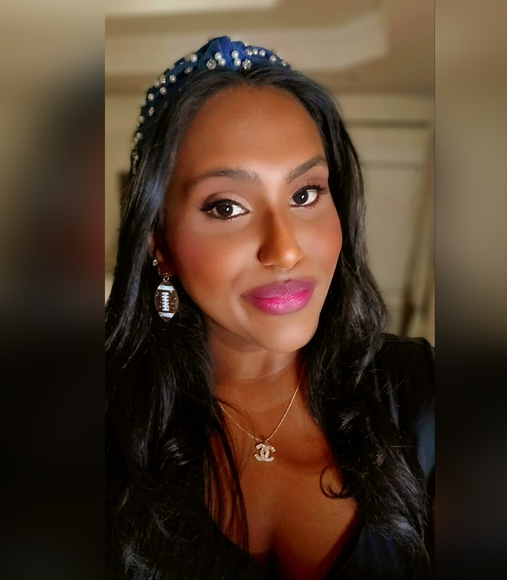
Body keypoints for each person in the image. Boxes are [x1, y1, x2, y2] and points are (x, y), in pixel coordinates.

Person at [105, 36, 434, 580]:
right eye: (226, 207)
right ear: (159, 242)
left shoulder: (419, 394)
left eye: (305, 194)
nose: (284, 250)